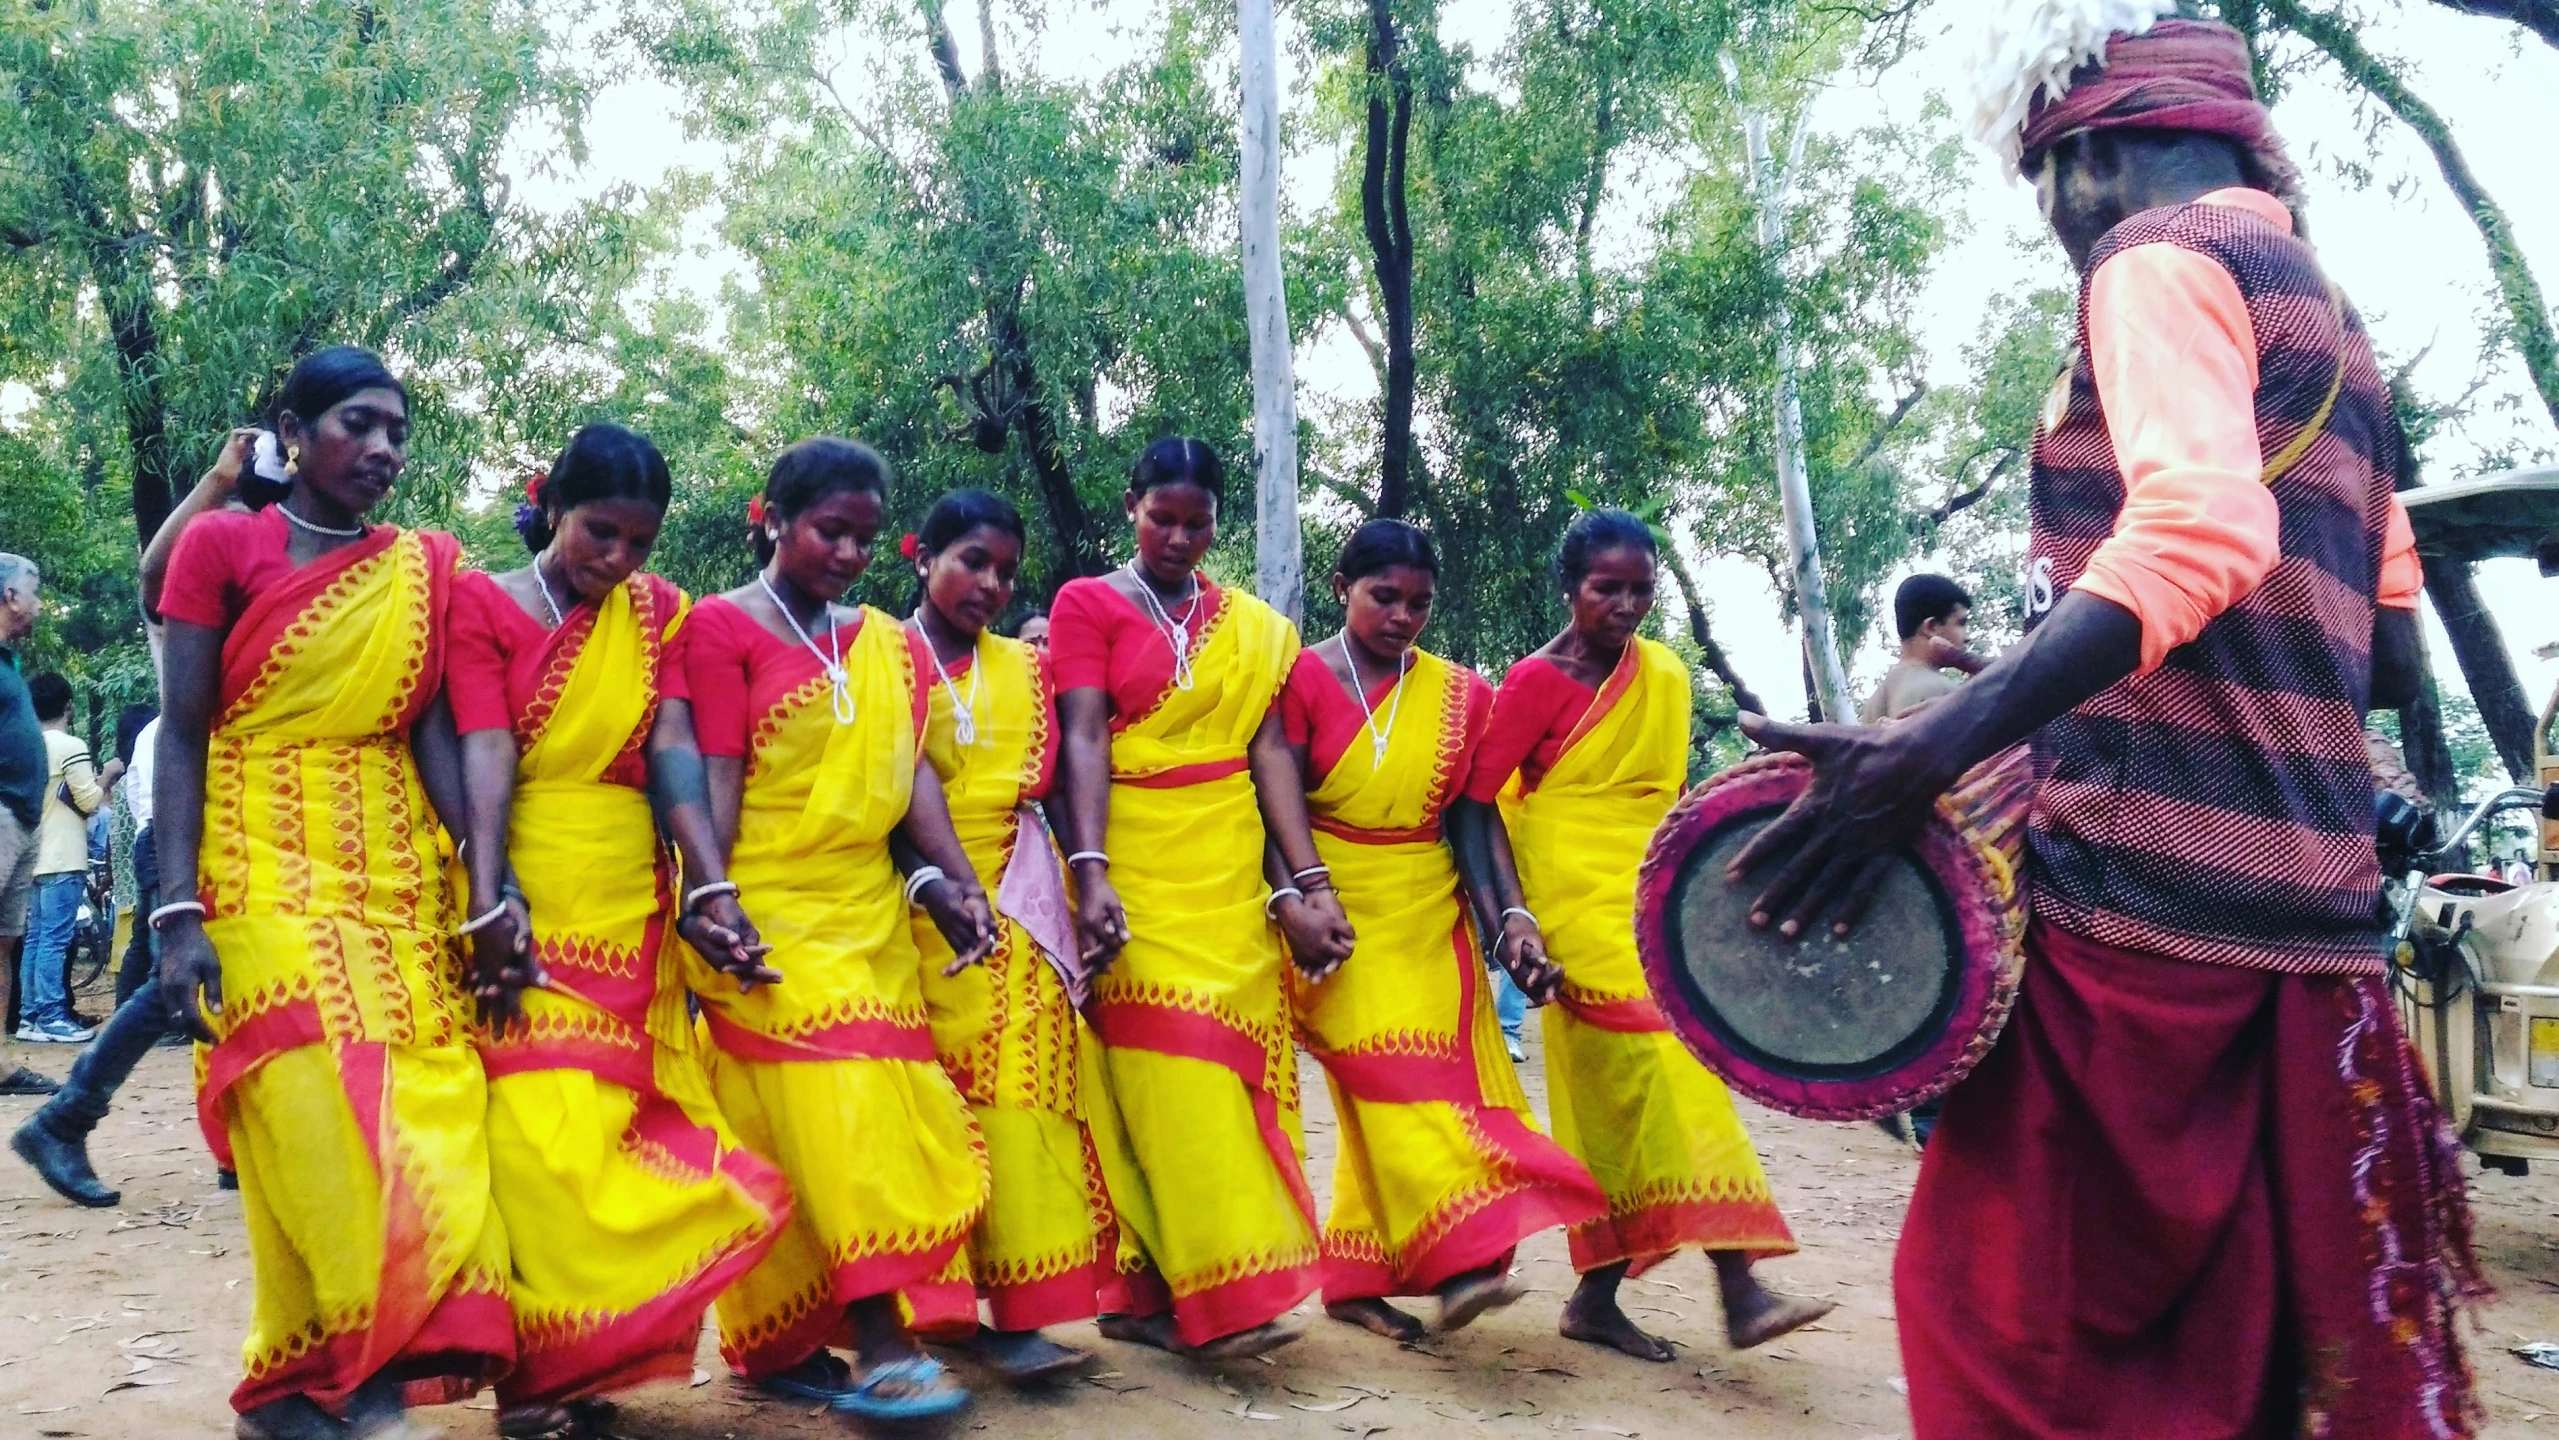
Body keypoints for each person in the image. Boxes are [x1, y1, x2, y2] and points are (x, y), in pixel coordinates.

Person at [1728, 8, 2476, 1434]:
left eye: (2045, 182)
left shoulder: (2158, 259)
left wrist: (1931, 749)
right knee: (2241, 1363)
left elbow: (2196, 531)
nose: (2053, 223)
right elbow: (2384, 642)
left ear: (2098, 146)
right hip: (2305, 925)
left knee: (2005, 1340)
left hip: (2135, 928)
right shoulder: (2327, 312)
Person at [152, 345, 511, 1440]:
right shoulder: (222, 545)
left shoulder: (423, 568)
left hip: (392, 872)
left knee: (420, 1107)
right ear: (294, 433)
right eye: (359, 424)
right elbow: (183, 732)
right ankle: (356, 1383)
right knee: (311, 1104)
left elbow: (436, 729)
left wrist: (486, 887)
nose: (384, 451)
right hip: (254, 855)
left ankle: (294, 1384)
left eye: (398, 432)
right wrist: (176, 913)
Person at [448, 424, 791, 1440]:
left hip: (623, 902)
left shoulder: (660, 614)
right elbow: (482, 746)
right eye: (601, 533)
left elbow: (674, 749)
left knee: (602, 1134)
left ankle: (575, 1360)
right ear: (550, 502)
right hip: (518, 889)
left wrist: (710, 883)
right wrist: (489, 889)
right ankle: (531, 1383)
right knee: (534, 1137)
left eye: (640, 543)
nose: (619, 561)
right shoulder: (481, 603)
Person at [1468, 509, 1830, 1362]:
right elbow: (1478, 801)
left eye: (1639, 589)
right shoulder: (1533, 681)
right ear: (1569, 590)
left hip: (1643, 895)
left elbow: (1668, 804)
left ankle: (1594, 1298)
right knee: (1667, 1060)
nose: (1625, 604)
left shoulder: (1662, 674)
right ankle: (1739, 1282)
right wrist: (1510, 920)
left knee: (1618, 1101)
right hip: (1564, 902)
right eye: (1607, 587)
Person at [683, 437, 992, 1422]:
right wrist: (712, 898)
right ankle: (886, 1344)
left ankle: (784, 1344)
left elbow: (911, 776)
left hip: (867, 913)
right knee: (837, 1109)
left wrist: (948, 880)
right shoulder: (720, 627)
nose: (850, 553)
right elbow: (715, 775)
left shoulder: (885, 640)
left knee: (832, 1123)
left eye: (864, 536)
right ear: (771, 517)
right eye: (829, 530)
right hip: (770, 910)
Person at [1281, 519, 1607, 1344]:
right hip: (1334, 913)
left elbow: (1472, 816)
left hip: (1427, 915)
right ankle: (1458, 1263)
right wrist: (1292, 899)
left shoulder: (1463, 693)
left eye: (1419, 604)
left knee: (1427, 1086)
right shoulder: (1295, 679)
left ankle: (1356, 1278)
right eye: (1382, 597)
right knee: (1390, 1082)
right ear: (1339, 589)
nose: (1401, 616)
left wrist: (1511, 923)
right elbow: (1264, 805)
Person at [1050, 436, 1340, 1359]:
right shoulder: (1086, 603)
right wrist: (1090, 869)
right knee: (1164, 1081)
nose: (1178, 536)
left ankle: (1143, 1297)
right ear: (1129, 505)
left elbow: (1269, 756)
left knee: (1217, 1076)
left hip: (1223, 872)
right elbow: (1084, 737)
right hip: (1129, 864)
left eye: (1197, 521)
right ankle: (1219, 1302)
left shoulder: (1251, 626)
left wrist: (1305, 883)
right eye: (1161, 517)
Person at [901, 492, 1115, 1382]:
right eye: (971, 562)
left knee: (1023, 1100)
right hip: (900, 908)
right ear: (922, 558)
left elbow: (1061, 782)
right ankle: (935, 1315)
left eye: (1005, 571)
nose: (989, 584)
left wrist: (1090, 872)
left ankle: (1022, 1311)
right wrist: (933, 880)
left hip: (1021, 906)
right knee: (927, 1107)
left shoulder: (1029, 669)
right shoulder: (878, 654)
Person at [18, 672, 117, 1043]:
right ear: (68, 706)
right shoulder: (70, 745)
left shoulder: (24, 744)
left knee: (36, 938)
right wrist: (106, 776)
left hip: (33, 857)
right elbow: (90, 801)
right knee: (56, 940)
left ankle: (29, 1016)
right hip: (63, 855)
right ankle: (52, 1014)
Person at [0, 554, 61, 1096]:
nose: (39, 603)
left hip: (18, 816)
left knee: (4, 941)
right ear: (10, 597)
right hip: (1, 812)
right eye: (33, 591)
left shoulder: (8, 665)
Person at [1858, 575, 1984, 725]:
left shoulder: (1874, 703)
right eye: (1961, 623)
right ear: (1931, 627)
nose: (1967, 637)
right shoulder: (1940, 692)